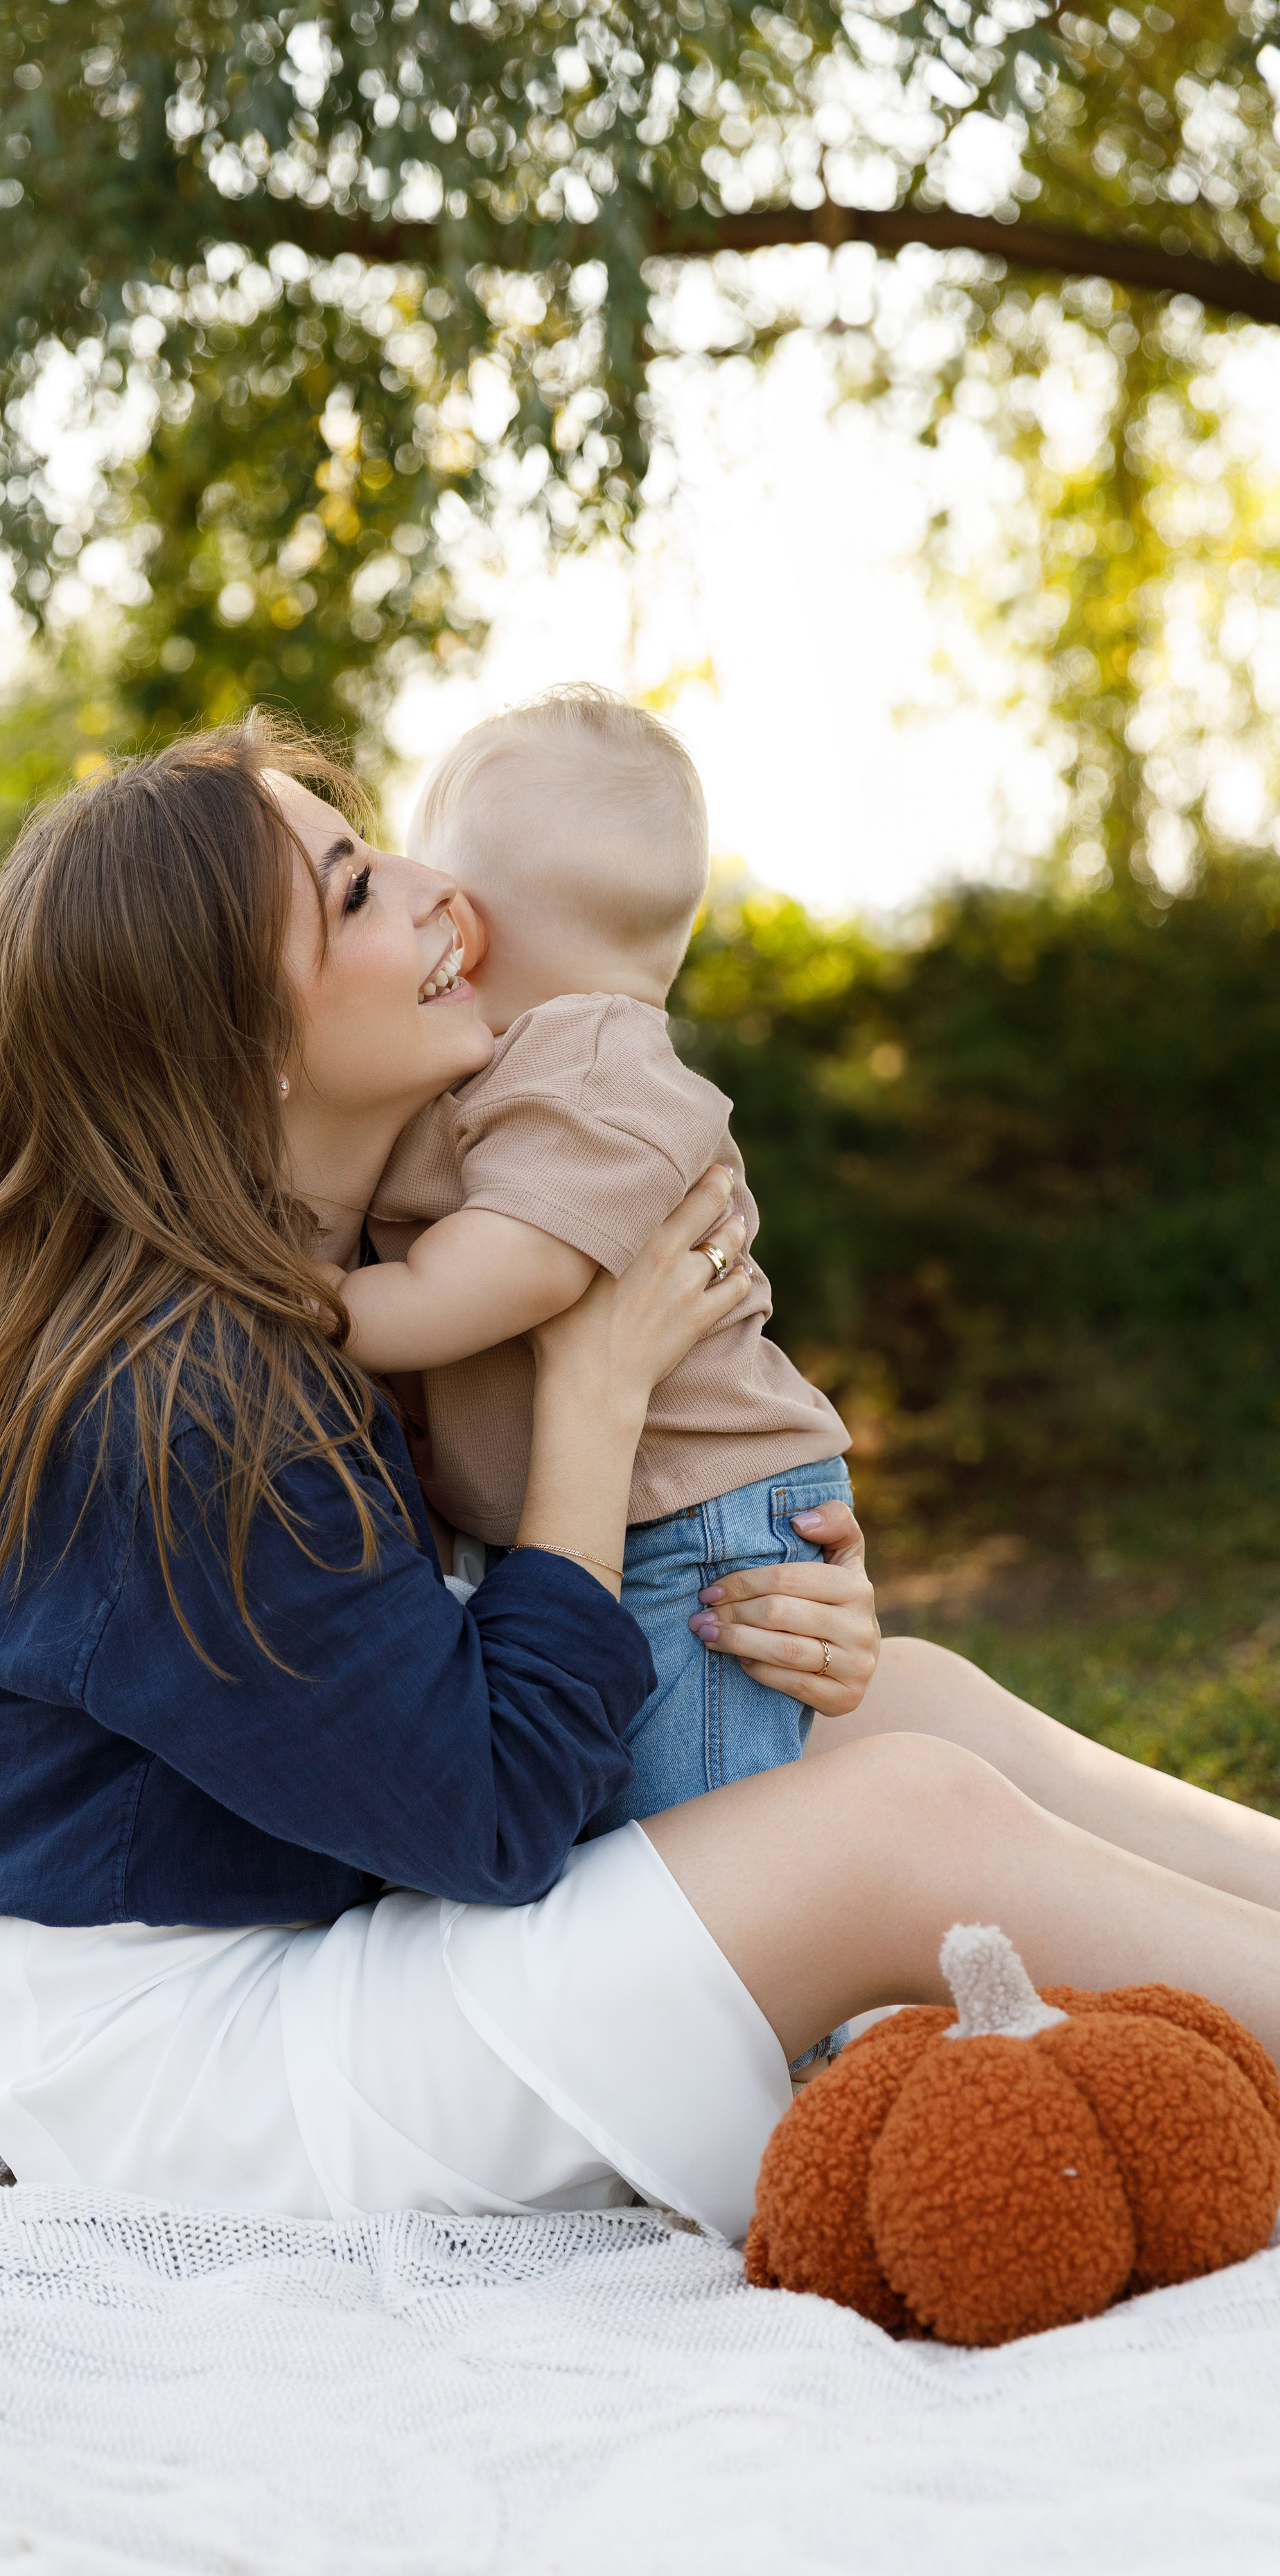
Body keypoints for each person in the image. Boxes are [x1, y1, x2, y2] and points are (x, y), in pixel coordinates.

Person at [0, 717, 1280, 2244]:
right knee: (902, 1825)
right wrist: (590, 1399)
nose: (433, 892)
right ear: (235, 1042)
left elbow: (427, 1666)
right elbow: (491, 1817)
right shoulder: (180, 1406)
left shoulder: (350, 1287)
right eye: (350, 892)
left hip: (342, 1920)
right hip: (202, 2076)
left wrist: (753, 1577)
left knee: (896, 1702)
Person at [340, 684, 851, 1834]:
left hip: (694, 1532)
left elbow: (515, 1270)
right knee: (643, 1826)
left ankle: (800, 2017)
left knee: (704, 1831)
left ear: (466, 925)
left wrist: (323, 1307)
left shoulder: (585, 1057)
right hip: (643, 1517)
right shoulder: (507, 1076)